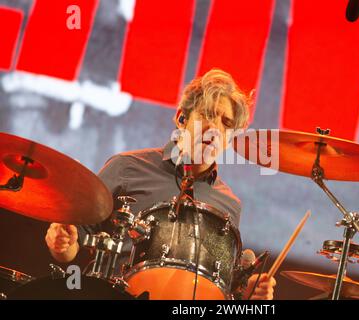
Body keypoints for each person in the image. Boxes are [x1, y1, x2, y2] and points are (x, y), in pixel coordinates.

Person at [45, 69, 276, 300]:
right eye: (208, 114)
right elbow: (73, 242)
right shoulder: (127, 167)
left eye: (226, 123)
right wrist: (61, 243)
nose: (215, 128)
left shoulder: (229, 205)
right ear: (181, 118)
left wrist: (247, 293)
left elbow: (220, 287)